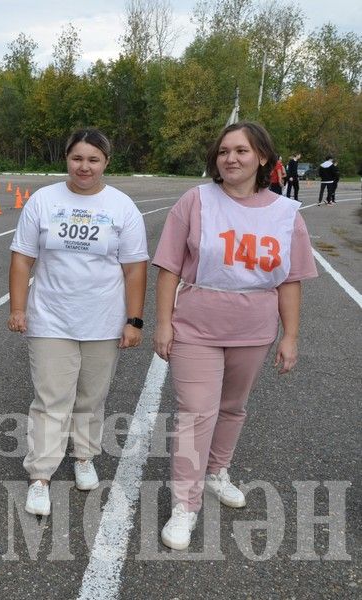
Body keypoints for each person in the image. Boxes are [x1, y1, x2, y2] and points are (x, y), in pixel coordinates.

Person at [153, 121, 317, 550]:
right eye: (224, 151)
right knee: (195, 412)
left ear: (262, 157)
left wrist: (290, 335)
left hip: (253, 330)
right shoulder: (196, 201)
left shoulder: (285, 214)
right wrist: (164, 322)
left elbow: (291, 280)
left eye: (242, 151)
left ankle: (216, 471)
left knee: (232, 407)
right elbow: (169, 266)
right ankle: (185, 506)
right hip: (196, 327)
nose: (231, 158)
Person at [8, 128, 148, 517]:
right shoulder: (43, 201)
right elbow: (22, 258)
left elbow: (135, 268)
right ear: (66, 159)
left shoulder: (122, 207)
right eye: (77, 158)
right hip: (51, 317)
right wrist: (18, 309)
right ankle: (40, 476)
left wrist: (134, 319)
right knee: (52, 398)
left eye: (93, 159)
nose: (84, 167)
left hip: (103, 319)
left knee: (91, 396)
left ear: (106, 162)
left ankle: (84, 456)